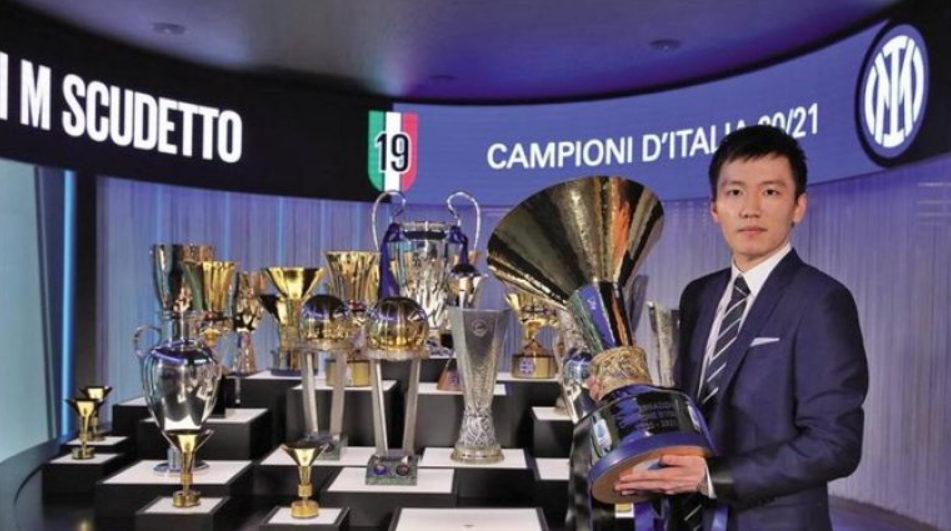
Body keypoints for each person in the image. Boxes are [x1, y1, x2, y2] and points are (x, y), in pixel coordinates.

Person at [613, 125, 869, 530]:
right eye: (735, 192)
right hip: (690, 518)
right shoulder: (699, 294)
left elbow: (835, 444)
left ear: (798, 206)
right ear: (714, 208)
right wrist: (624, 396)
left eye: (770, 192)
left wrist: (712, 477)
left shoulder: (821, 301)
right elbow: (695, 407)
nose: (750, 209)